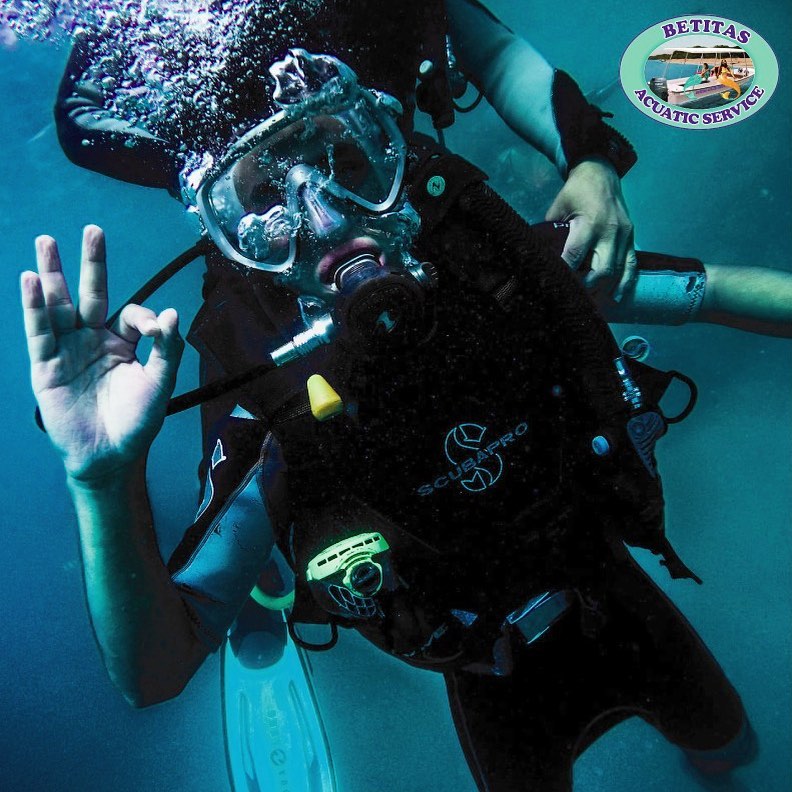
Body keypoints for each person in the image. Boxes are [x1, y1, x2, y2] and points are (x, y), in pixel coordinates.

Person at [24, 20, 774, 785]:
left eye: (347, 162)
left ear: (393, 154)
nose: (327, 219)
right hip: (488, 669)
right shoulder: (270, 399)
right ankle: (263, 576)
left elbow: (714, 289)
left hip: (618, 602)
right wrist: (101, 479)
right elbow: (154, 675)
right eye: (267, 203)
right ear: (232, 238)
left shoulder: (499, 270)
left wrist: (587, 159)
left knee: (728, 749)